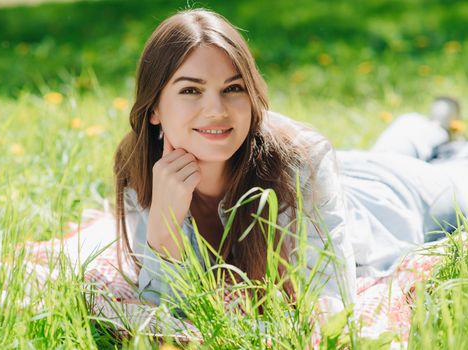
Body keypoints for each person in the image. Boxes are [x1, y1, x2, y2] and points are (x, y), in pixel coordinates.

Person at [113, 8, 468, 312]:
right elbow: (165, 319)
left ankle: (435, 130)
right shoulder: (143, 170)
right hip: (350, 175)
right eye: (191, 90)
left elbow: (329, 299)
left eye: (233, 88)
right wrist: (164, 225)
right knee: (388, 153)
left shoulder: (301, 160)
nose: (216, 110)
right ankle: (429, 124)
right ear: (154, 107)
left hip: (396, 198)